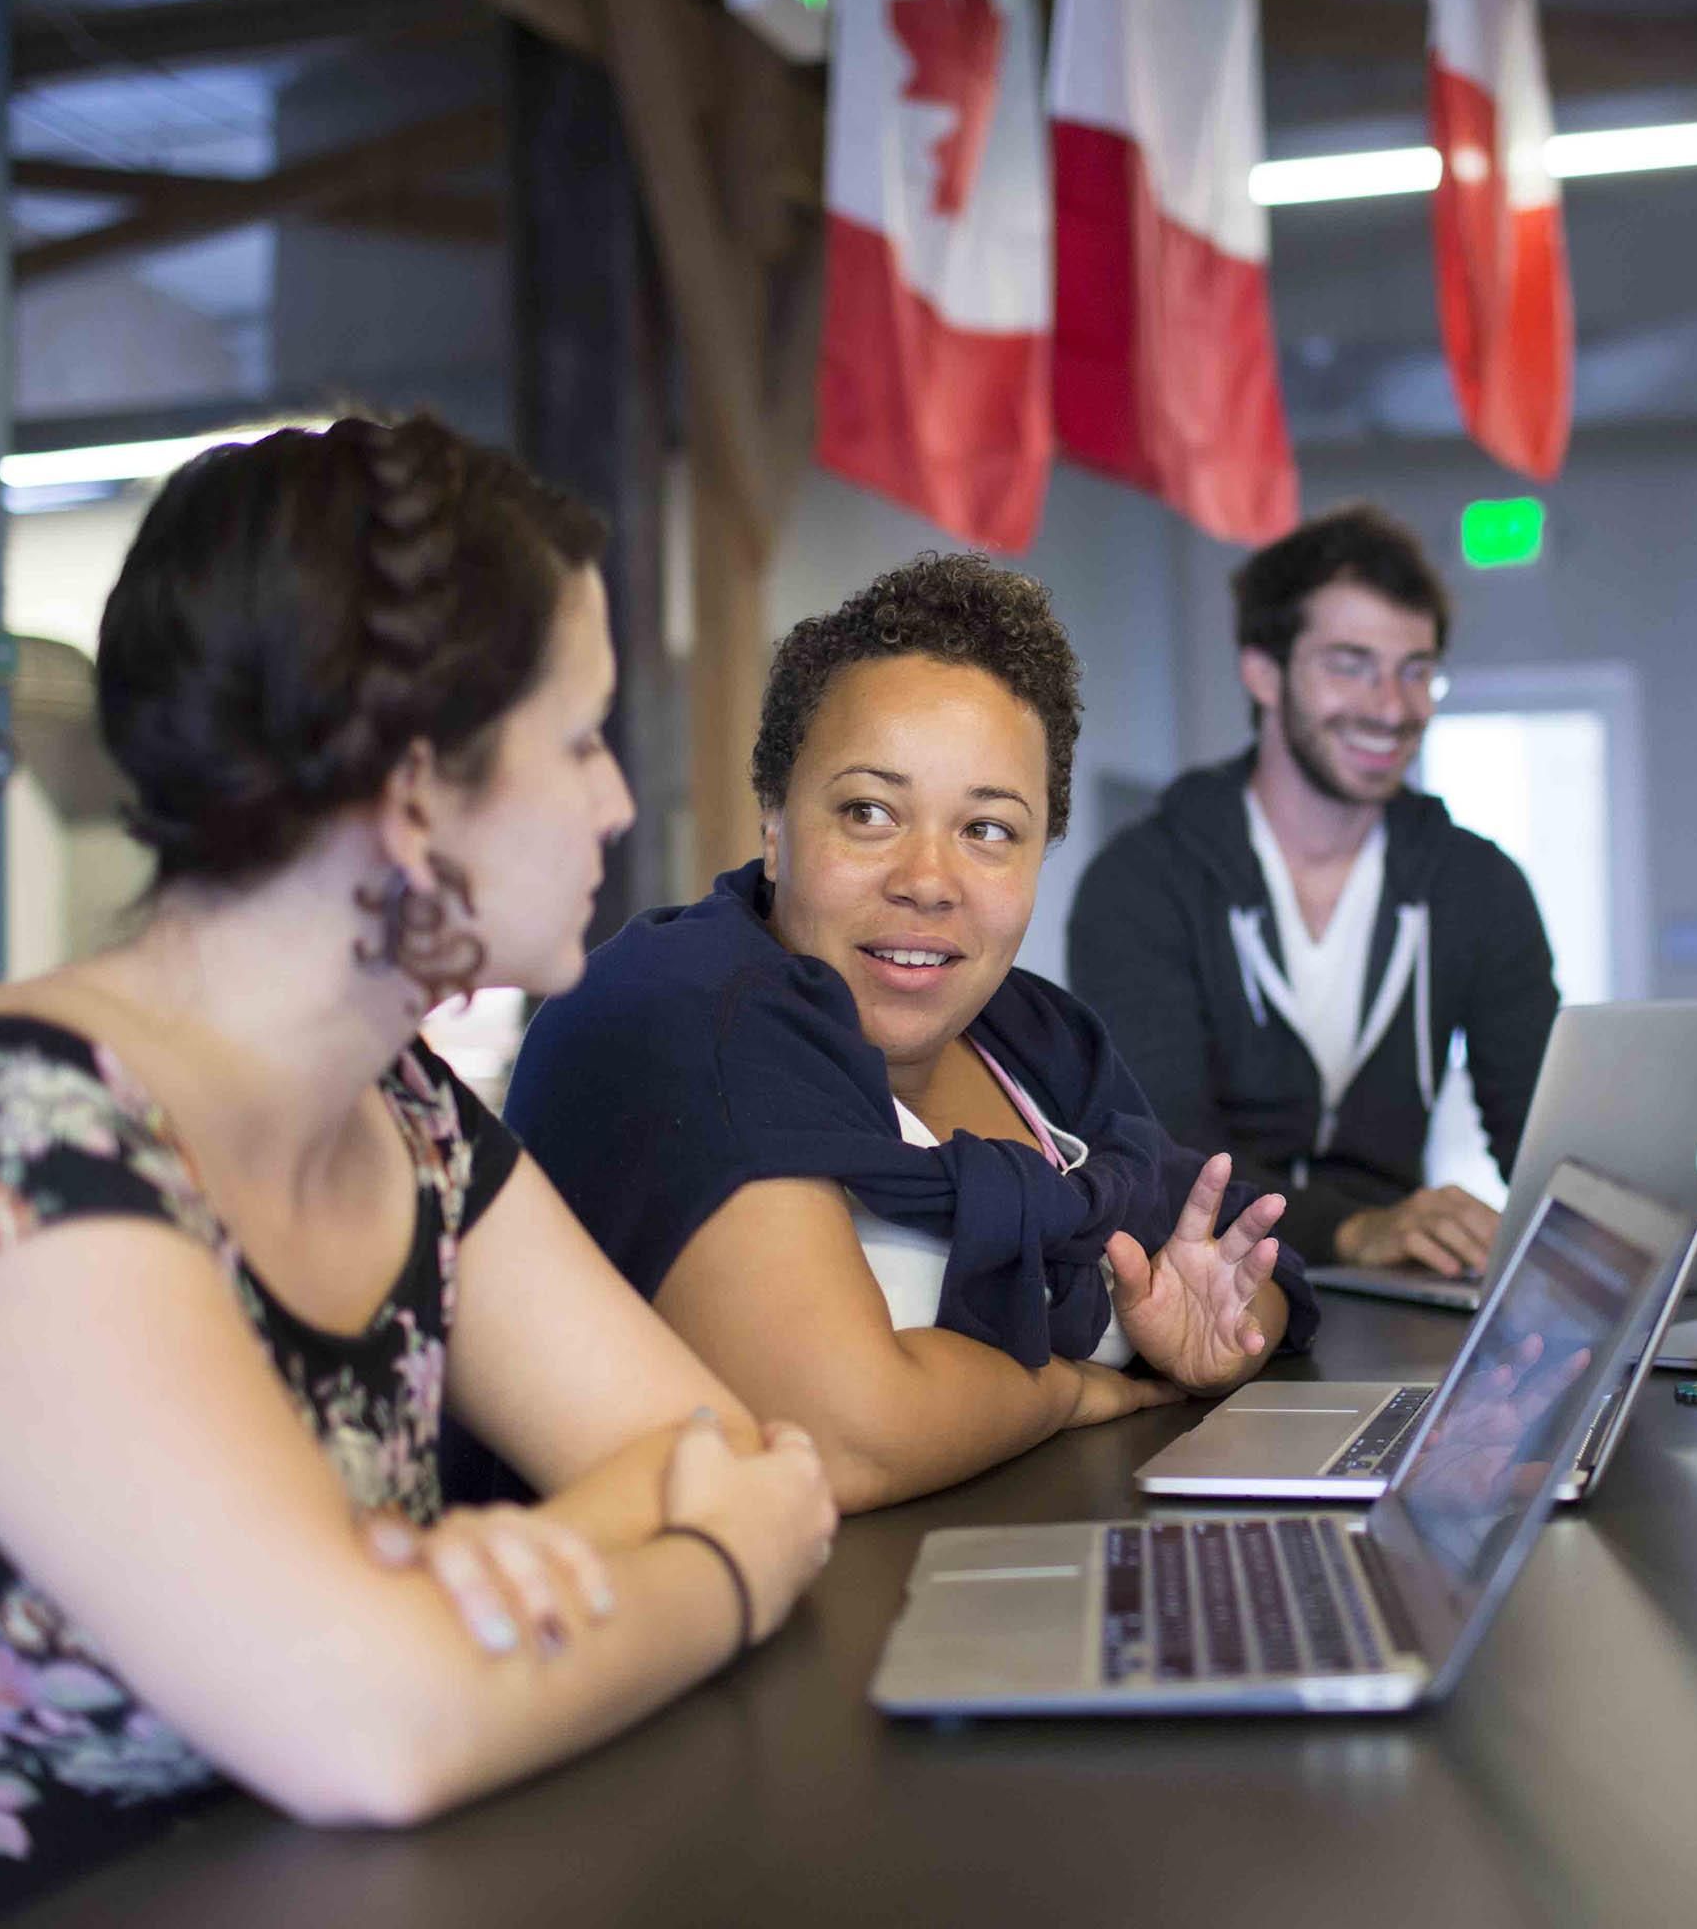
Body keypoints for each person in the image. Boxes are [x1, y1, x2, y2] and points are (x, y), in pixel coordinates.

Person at [0, 418, 837, 1926]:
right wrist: (723, 1565)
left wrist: (480, 1582)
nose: (617, 803)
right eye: (578, 738)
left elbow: (711, 1435)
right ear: (414, 788)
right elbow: (377, 1729)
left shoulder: (406, 1110)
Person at [504, 556, 1320, 1514]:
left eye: (988, 830)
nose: (928, 879)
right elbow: (843, 1436)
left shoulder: (1032, 1036)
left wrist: (1207, 1338)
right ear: (774, 825)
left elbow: (1243, 1258)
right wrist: (1074, 1389)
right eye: (869, 812)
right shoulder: (683, 1011)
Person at [1066, 505, 1560, 1281]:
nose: (1392, 707)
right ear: (1262, 670)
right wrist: (1356, 1227)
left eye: (1416, 669)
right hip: (1197, 1290)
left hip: (1398, 1290)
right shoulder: (1143, 882)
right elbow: (1160, 1148)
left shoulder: (1476, 885)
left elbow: (1543, 1134)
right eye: (1350, 663)